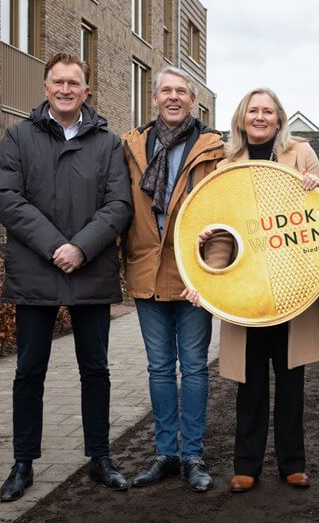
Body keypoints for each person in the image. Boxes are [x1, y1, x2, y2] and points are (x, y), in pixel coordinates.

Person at [0, 52, 133, 501]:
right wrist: (57, 247)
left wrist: (81, 247)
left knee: (96, 370)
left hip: (90, 272)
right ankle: (22, 463)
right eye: (58, 82)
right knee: (29, 371)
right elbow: (7, 199)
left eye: (75, 83)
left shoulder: (109, 144)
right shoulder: (18, 136)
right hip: (36, 271)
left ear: (87, 90)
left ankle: (100, 457)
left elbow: (119, 206)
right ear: (46, 86)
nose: (66, 89)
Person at [186, 87, 319, 492]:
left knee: (291, 380)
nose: (260, 117)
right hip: (246, 287)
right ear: (241, 117)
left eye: (268, 111)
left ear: (278, 117)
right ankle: (246, 465)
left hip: (292, 287)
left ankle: (293, 462)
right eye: (253, 110)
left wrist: (312, 190)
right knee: (249, 383)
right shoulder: (226, 163)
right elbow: (220, 230)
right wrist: (210, 280)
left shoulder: (301, 153)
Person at [121, 67, 224, 491]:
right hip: (147, 270)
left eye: (182, 91)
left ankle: (193, 455)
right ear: (154, 97)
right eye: (166, 90)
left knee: (195, 367)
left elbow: (225, 214)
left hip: (193, 275)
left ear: (193, 100)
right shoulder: (132, 146)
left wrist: (212, 272)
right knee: (160, 369)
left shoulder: (213, 149)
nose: (174, 97)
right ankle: (165, 453)